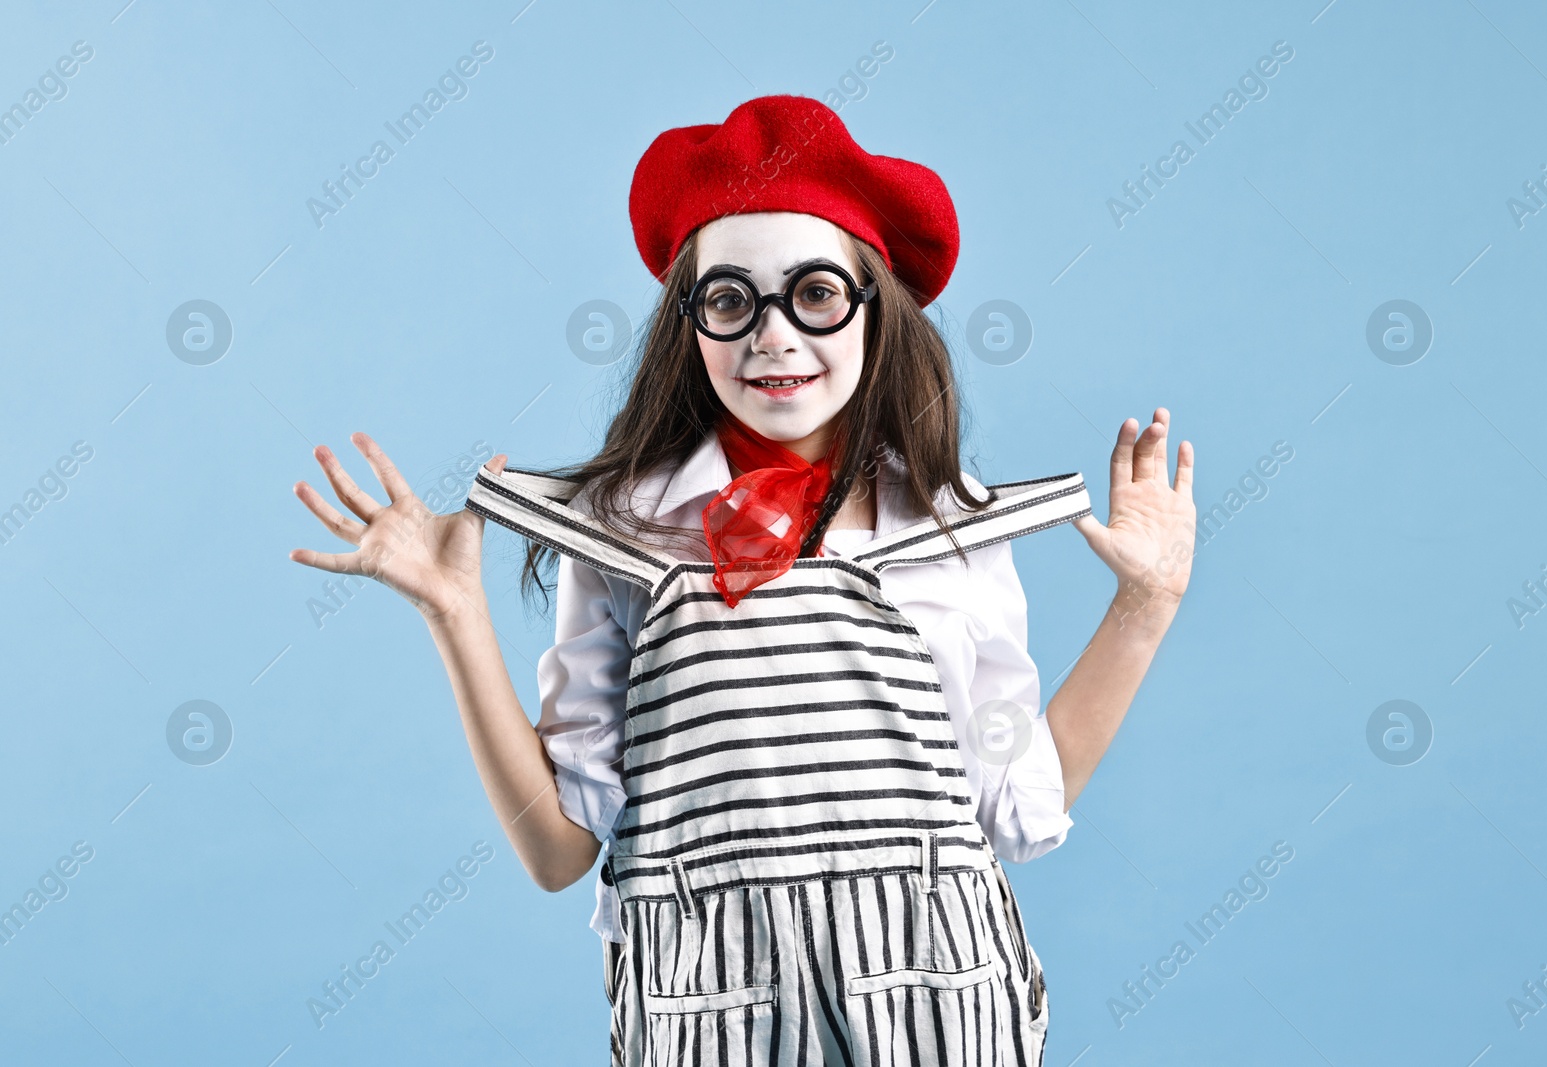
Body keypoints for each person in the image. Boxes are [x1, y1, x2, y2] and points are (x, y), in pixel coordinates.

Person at [289, 94, 1196, 1066]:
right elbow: (558, 851)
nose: (771, 335)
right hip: (707, 1014)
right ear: (690, 326)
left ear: (873, 311)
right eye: (729, 300)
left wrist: (1144, 607)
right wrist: (455, 612)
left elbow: (1019, 809)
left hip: (937, 1012)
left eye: (813, 293)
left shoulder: (953, 527)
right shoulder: (619, 538)